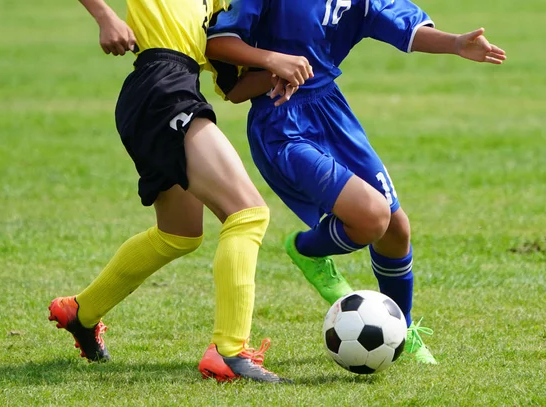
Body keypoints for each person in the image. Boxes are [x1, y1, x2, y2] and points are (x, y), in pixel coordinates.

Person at [206, 0, 506, 364]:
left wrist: (456, 43)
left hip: (331, 110)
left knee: (396, 228)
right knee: (372, 218)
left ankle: (402, 331)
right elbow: (215, 43)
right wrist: (272, 59)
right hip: (282, 122)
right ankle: (307, 249)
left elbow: (403, 26)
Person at [47, 0, 313, 383]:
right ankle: (229, 352)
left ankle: (80, 311)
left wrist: (282, 66)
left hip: (171, 89)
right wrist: (106, 18)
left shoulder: (224, 5)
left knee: (178, 235)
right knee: (248, 214)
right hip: (162, 87)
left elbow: (233, 88)